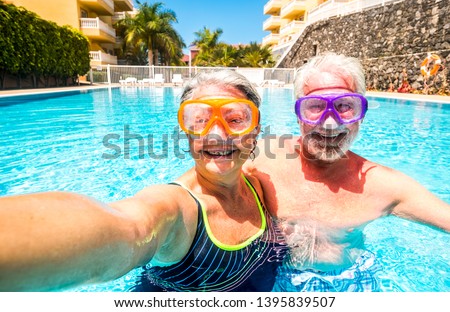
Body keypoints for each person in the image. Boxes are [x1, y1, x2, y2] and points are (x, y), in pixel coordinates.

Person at [0, 69, 288, 292]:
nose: (217, 134)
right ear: (185, 132)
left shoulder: (259, 184)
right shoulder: (178, 208)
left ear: (256, 130)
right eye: (199, 120)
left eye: (236, 119)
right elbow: (131, 226)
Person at [245, 53, 450, 292]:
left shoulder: (383, 184)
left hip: (350, 280)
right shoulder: (261, 158)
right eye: (315, 106)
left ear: (361, 113)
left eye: (344, 106)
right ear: (297, 112)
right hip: (276, 277)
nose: (330, 124)